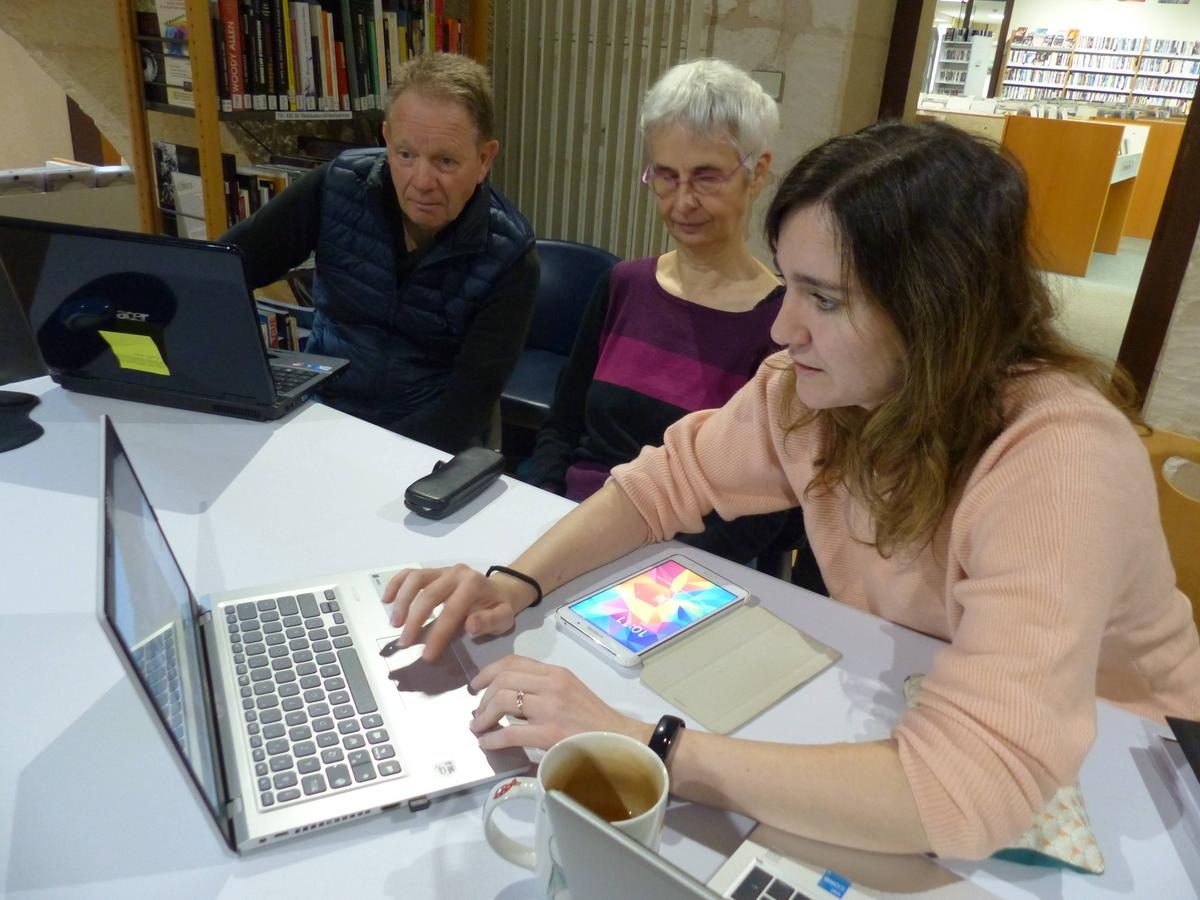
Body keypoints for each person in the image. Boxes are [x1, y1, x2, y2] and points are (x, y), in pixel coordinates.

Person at [379, 120, 1200, 860]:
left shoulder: (1059, 459)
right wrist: (513, 582)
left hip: (1136, 769)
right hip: (934, 699)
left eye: (825, 299)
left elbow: (962, 791)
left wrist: (646, 745)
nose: (781, 328)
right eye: (791, 284)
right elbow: (661, 483)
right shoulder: (819, 394)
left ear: (941, 312)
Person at [521, 58, 807, 567]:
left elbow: (765, 510)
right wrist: (545, 512)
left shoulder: (779, 326)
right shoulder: (623, 285)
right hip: (568, 532)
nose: (682, 202)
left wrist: (641, 566)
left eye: (706, 178)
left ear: (758, 172)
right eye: (666, 177)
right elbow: (562, 426)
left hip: (678, 564)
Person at [222, 54, 538, 453]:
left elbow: (463, 410)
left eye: (445, 161)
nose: (421, 181)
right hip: (318, 418)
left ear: (484, 159)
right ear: (386, 139)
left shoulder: (510, 256)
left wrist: (370, 454)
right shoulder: (337, 186)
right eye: (405, 155)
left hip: (423, 447)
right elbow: (222, 269)